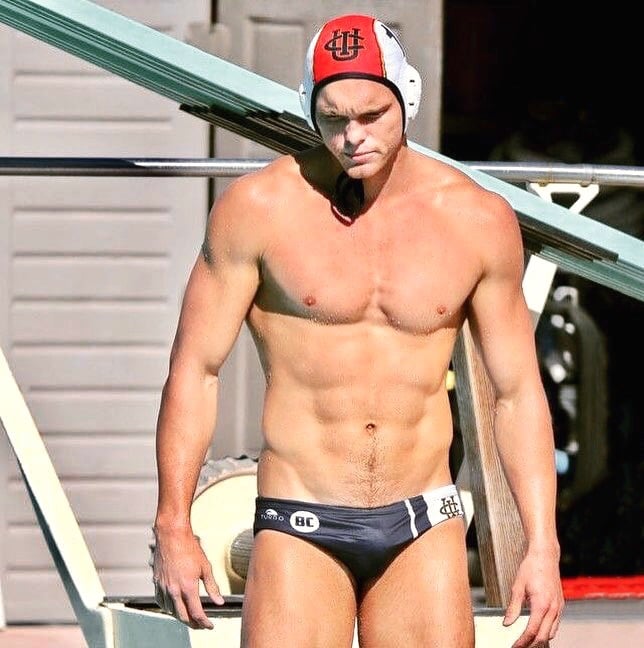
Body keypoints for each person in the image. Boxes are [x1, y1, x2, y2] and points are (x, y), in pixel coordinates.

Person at [152, 13, 564, 648]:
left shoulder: (477, 220)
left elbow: (516, 394)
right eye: (333, 118)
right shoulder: (259, 209)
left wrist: (543, 545)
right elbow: (195, 371)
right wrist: (173, 524)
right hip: (300, 516)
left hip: (422, 520)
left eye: (372, 115)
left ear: (407, 99)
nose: (352, 138)